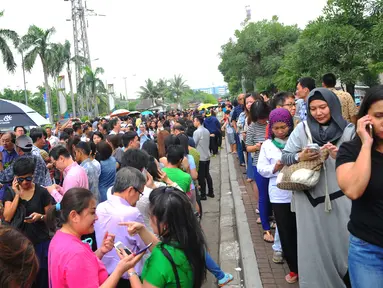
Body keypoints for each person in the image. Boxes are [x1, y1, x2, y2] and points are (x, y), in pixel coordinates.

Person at [281, 88, 354, 288]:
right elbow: (285, 156)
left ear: (333, 106)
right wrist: (300, 156)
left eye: (323, 107)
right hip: (309, 201)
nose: (318, 113)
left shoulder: (349, 131)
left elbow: (360, 163)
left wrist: (340, 155)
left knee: (343, 248)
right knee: (314, 251)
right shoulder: (302, 129)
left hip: (341, 200)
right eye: (313, 108)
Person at [47, 188, 143, 287]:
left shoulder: (59, 237)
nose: (96, 217)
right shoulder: (76, 252)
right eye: (92, 213)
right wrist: (119, 270)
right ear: (74, 216)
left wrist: (101, 251)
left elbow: (79, 269)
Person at [336, 85, 383, 287]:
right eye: (379, 115)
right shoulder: (351, 150)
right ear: (365, 118)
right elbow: (353, 190)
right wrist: (366, 144)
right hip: (368, 250)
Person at [119, 186, 207, 288]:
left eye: (150, 215)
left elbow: (163, 257)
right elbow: (164, 249)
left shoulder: (159, 260)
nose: (150, 221)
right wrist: (141, 230)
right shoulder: (190, 241)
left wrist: (130, 269)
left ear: (165, 223)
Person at [257, 108, 298, 283]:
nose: (280, 131)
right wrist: (276, 167)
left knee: (301, 231)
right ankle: (294, 269)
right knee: (286, 233)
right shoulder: (267, 145)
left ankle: (306, 264)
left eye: (283, 127)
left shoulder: (297, 141)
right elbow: (261, 169)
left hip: (299, 192)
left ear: (289, 125)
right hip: (279, 195)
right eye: (276, 128)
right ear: (271, 128)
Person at [3, 157, 52, 288]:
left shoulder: (41, 192)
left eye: (28, 178)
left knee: (41, 279)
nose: (25, 182)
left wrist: (41, 217)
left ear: (33, 175)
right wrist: (17, 195)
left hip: (40, 244)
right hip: (19, 247)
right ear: (15, 178)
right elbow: (7, 217)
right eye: (21, 179)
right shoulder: (10, 193)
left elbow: (51, 217)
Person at [95, 167, 147, 287]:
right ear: (130, 190)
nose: (139, 198)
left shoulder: (100, 207)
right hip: (128, 275)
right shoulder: (132, 213)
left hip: (104, 274)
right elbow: (144, 245)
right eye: (140, 193)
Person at [246, 100, 273, 242]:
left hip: (275, 164)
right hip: (259, 164)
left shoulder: (273, 125)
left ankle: (271, 217)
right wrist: (257, 147)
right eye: (260, 118)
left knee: (274, 194)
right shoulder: (252, 128)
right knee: (263, 195)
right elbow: (248, 147)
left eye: (264, 117)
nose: (263, 121)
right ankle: (266, 228)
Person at [193, 115, 214, 200]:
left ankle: (203, 195)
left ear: (198, 121)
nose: (193, 122)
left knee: (201, 176)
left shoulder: (197, 132)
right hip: (207, 155)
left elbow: (194, 144)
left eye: (194, 121)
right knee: (207, 174)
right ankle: (211, 192)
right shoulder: (206, 130)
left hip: (201, 156)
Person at [0, 132, 18, 201]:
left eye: (7, 141)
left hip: (11, 188)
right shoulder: (1, 151)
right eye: (2, 140)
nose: (4, 143)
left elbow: (7, 177)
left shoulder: (17, 154)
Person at [232, 94, 246, 165]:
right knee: (240, 146)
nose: (242, 100)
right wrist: (236, 129)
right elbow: (233, 120)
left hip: (247, 130)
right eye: (240, 99)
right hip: (239, 130)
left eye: (243, 98)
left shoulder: (249, 106)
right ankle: (242, 161)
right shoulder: (236, 108)